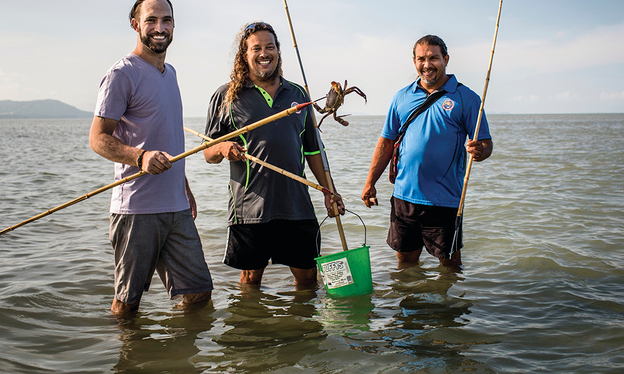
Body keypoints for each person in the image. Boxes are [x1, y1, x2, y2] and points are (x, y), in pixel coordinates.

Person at [89, 0, 212, 315]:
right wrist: (139, 157)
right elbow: (98, 138)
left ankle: (181, 360)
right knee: (128, 305)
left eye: (167, 20)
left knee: (199, 296)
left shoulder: (170, 73)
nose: (160, 27)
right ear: (135, 25)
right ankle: (128, 359)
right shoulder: (122, 74)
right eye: (152, 20)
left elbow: (167, 135)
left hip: (177, 207)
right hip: (136, 209)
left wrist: (183, 186)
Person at [203, 22, 344, 288]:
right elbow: (208, 153)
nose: (264, 53)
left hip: (297, 205)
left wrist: (330, 192)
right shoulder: (227, 96)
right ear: (245, 55)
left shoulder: (299, 95)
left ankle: (302, 328)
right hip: (250, 209)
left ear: (278, 51)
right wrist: (223, 148)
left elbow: (314, 150)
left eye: (270, 47)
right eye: (256, 48)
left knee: (307, 280)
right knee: (250, 281)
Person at [360, 35, 493, 269]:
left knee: (450, 267)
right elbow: (386, 143)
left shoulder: (467, 98)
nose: (427, 64)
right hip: (404, 197)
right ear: (414, 61)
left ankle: (444, 307)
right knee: (406, 265)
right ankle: (410, 303)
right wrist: (370, 182)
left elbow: (485, 144)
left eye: (433, 58)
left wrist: (480, 150)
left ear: (446, 59)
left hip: (445, 200)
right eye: (421, 58)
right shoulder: (401, 97)